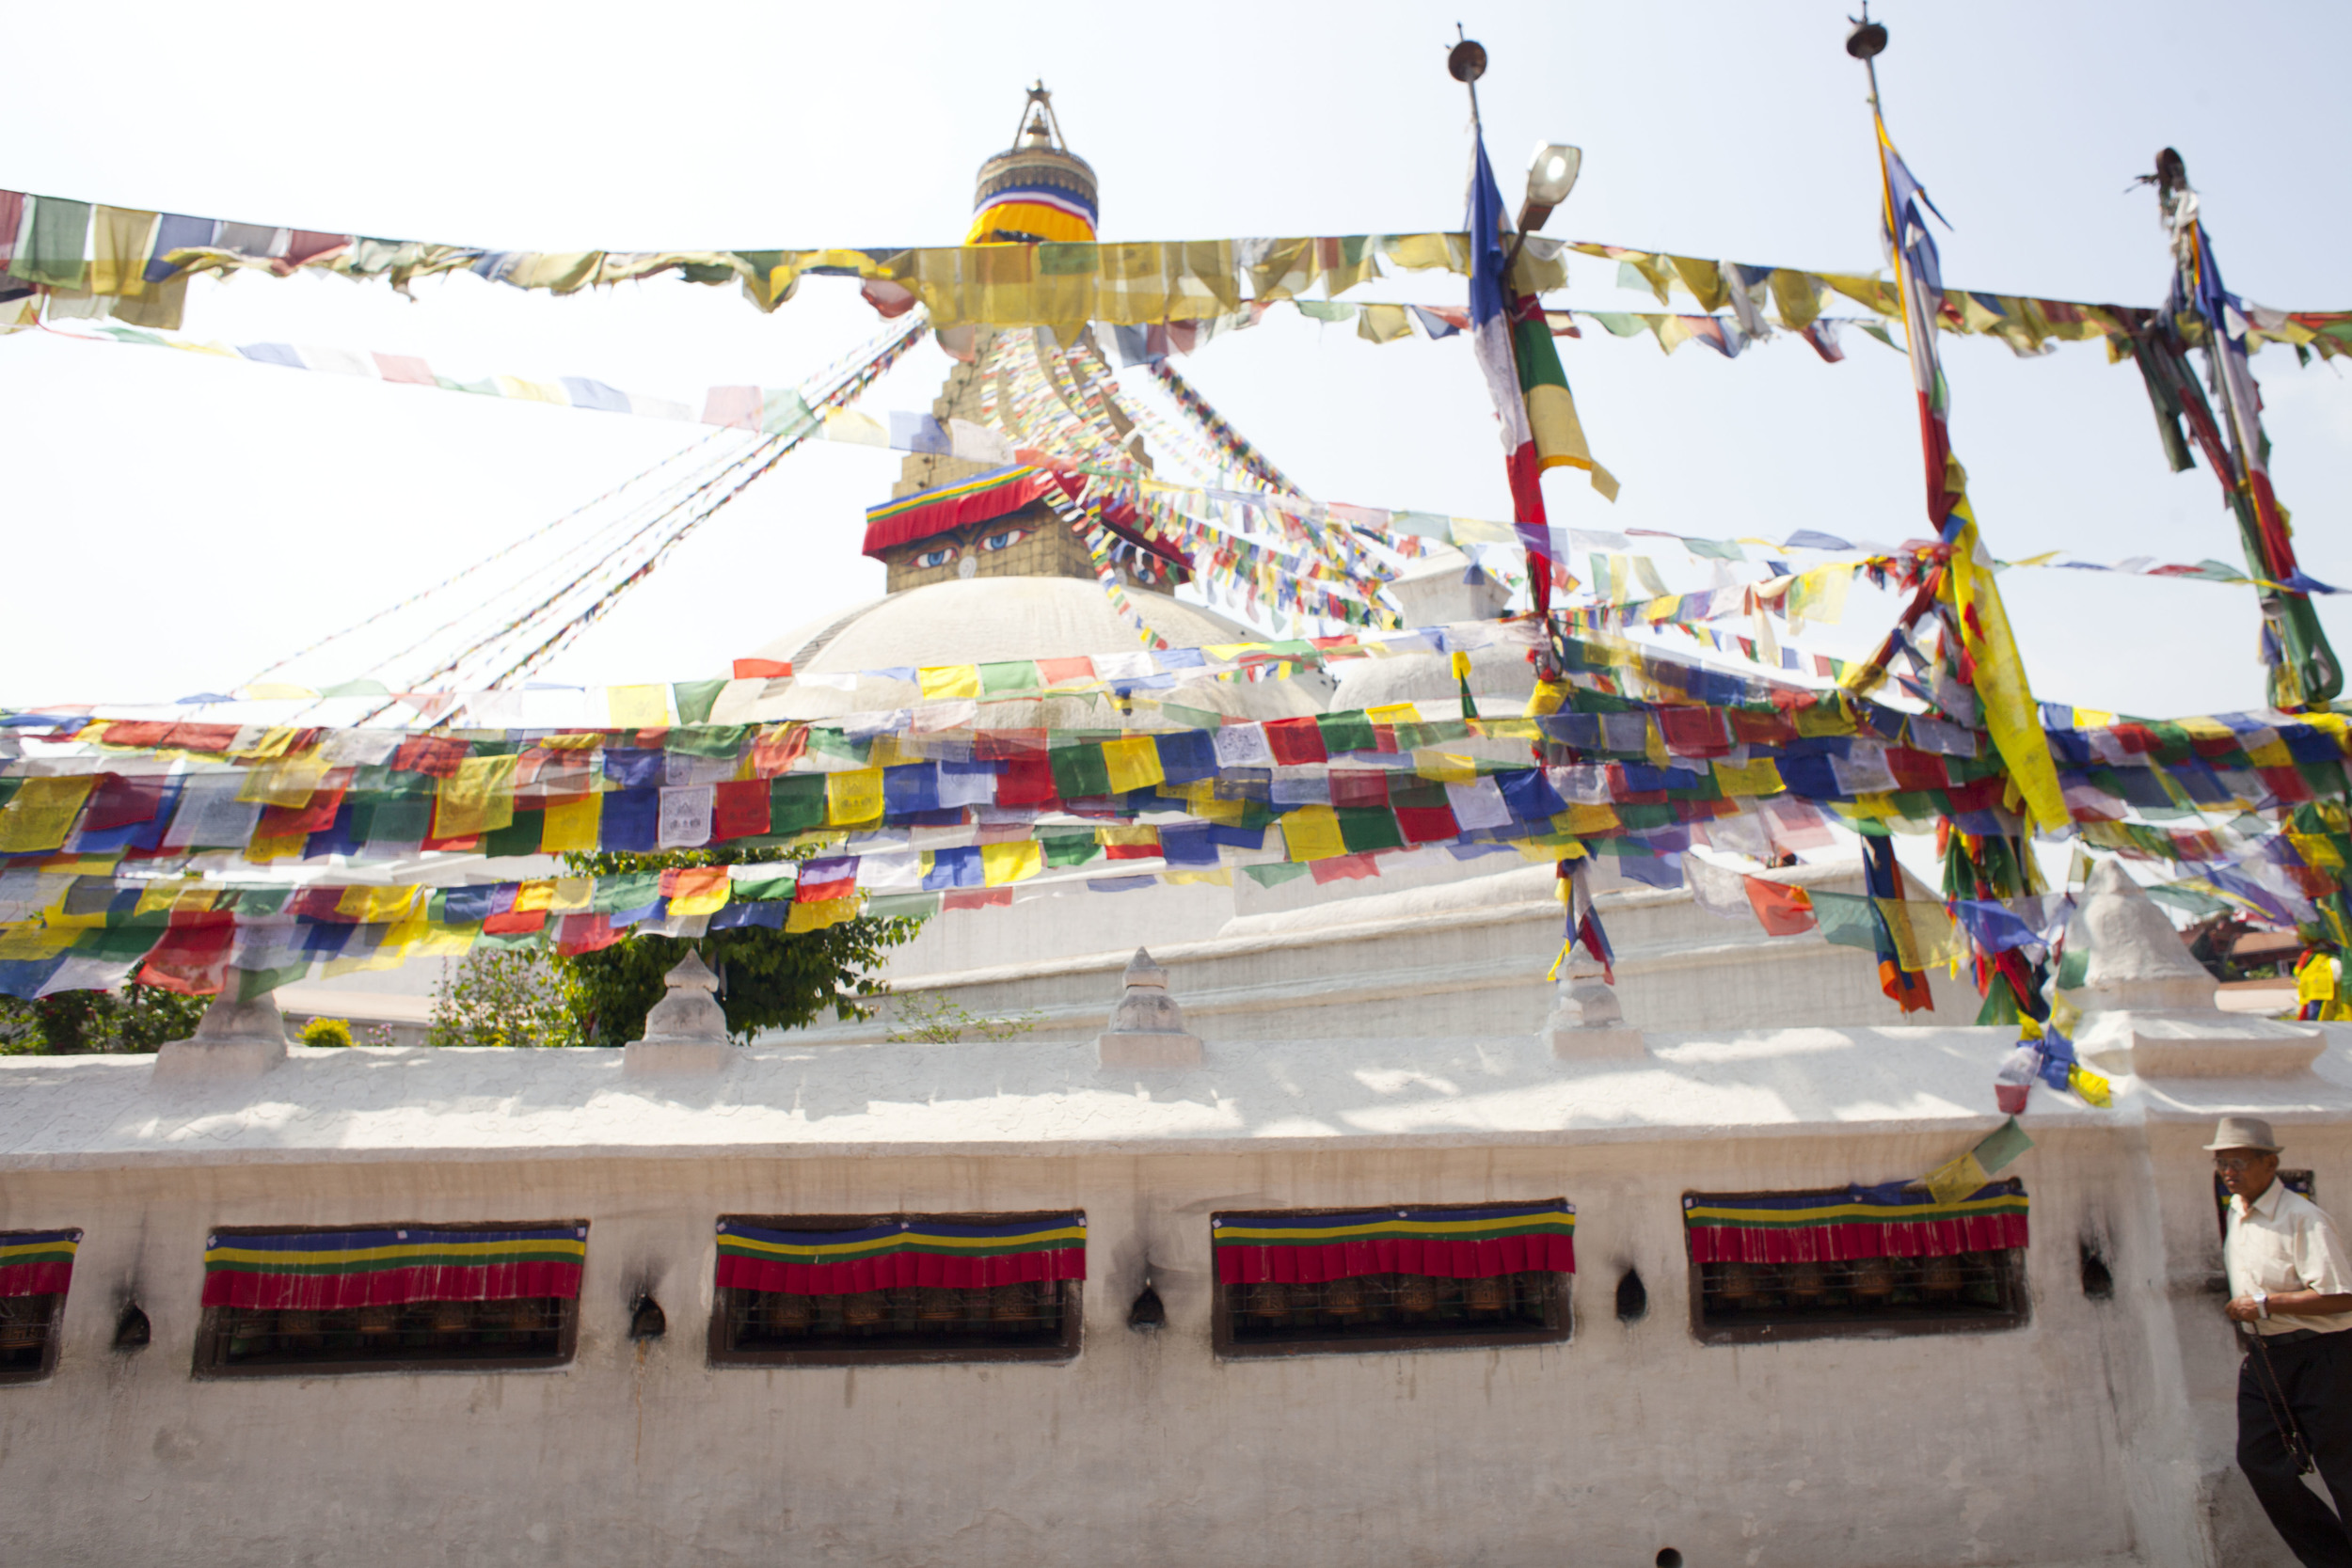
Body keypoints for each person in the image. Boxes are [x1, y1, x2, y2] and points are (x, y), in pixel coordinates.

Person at [2216, 1115, 2352, 1566]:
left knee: (2343, 1471)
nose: (2229, 1172)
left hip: (2323, 1358)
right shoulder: (2237, 1211)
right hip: (2265, 1360)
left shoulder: (2304, 1219)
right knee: (2260, 1463)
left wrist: (2266, 1304)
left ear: (2270, 1163)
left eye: (2238, 1161)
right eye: (2221, 1163)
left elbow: (2342, 1297)